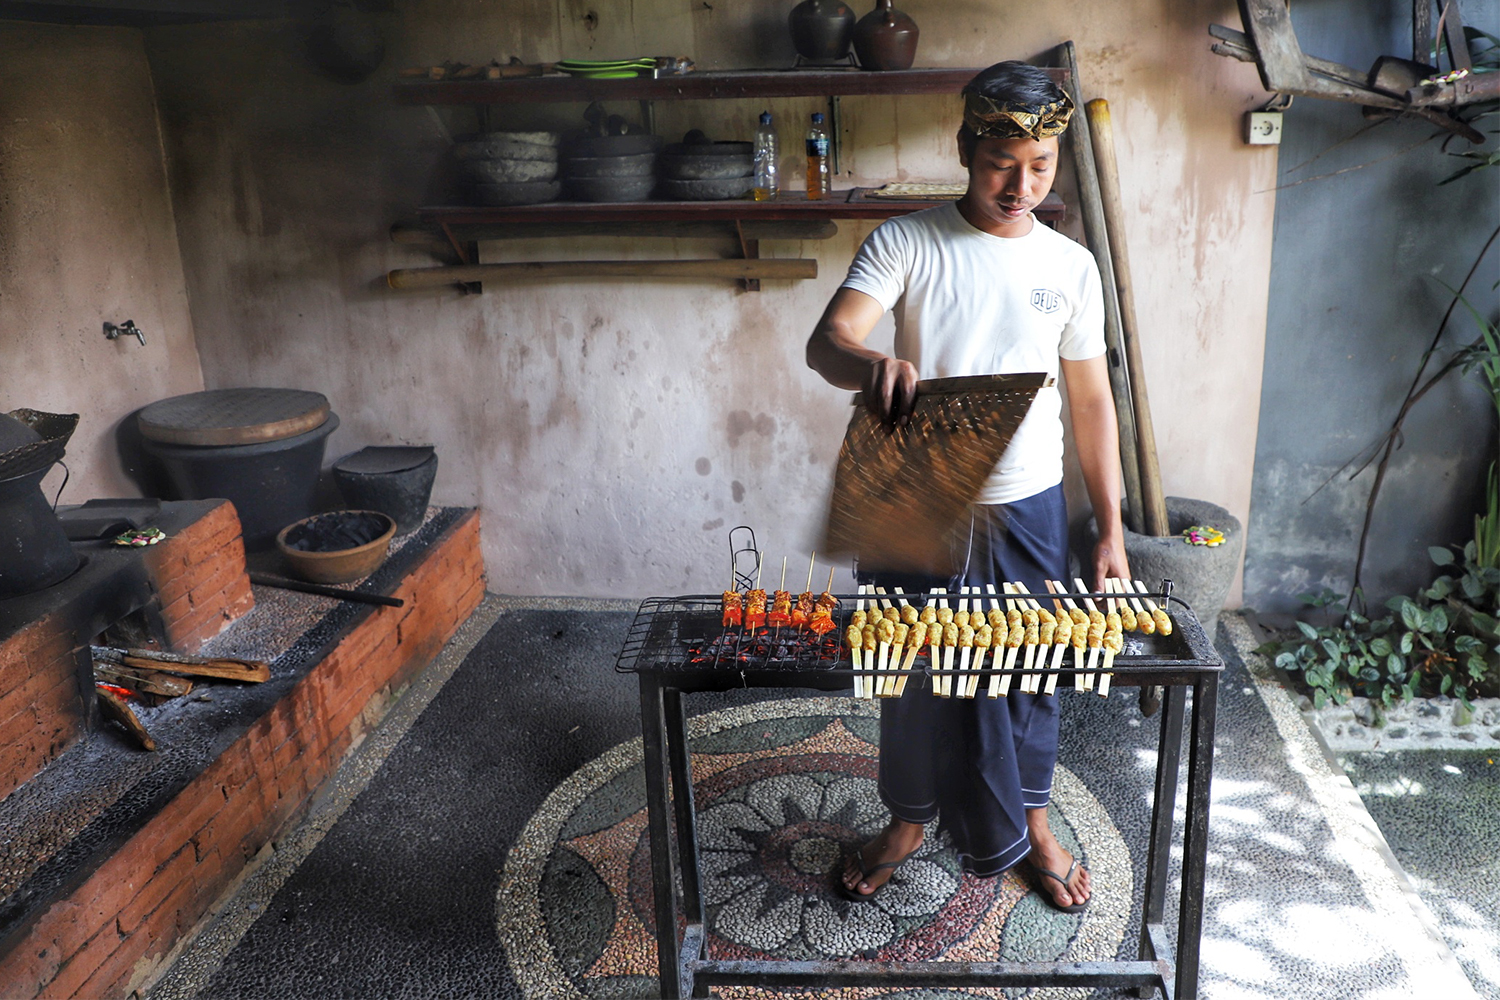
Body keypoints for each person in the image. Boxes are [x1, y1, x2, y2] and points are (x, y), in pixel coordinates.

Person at [805, 61, 1130, 913]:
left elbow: (1091, 401)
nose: (1021, 185)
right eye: (1000, 164)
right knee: (914, 670)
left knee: (1031, 667)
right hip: (919, 492)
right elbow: (828, 339)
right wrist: (870, 361)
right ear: (964, 149)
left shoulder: (1071, 265)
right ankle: (907, 823)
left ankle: (1031, 822)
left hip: (1027, 502)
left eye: (1042, 166)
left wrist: (1110, 528)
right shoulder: (907, 241)